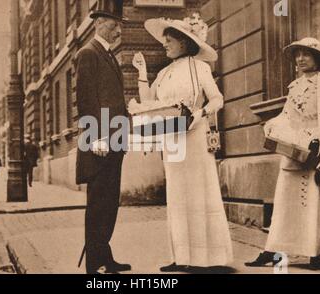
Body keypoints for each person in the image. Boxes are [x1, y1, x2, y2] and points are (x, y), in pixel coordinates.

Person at [132, 13, 233, 273]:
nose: (164, 44)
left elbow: (217, 99)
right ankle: (182, 256)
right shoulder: (163, 73)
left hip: (196, 138)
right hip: (172, 139)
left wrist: (200, 115)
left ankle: (207, 258)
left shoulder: (199, 68)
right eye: (164, 40)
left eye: (169, 40)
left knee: (200, 193)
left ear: (184, 43)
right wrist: (142, 72)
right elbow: (147, 101)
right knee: (177, 196)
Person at [245, 38, 320, 270]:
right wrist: (271, 124)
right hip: (294, 148)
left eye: (307, 54)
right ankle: (272, 251)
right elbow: (287, 116)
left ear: (318, 58)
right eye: (298, 54)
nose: (301, 59)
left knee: (316, 203)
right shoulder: (294, 86)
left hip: (318, 149)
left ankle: (315, 253)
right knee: (285, 201)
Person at [75, 0, 131, 274]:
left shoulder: (108, 54)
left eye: (119, 26)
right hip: (100, 143)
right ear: (98, 24)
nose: (118, 31)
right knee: (98, 203)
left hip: (115, 141)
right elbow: (86, 101)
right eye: (113, 25)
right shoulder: (88, 53)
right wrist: (95, 137)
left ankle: (103, 255)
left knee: (109, 202)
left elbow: (112, 99)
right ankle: (94, 264)